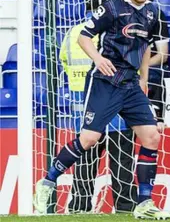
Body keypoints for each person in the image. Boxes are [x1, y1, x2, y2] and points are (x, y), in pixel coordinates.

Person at [33, 0, 170, 219]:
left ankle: (144, 203)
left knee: (151, 137)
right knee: (88, 140)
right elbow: (84, 37)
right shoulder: (111, 8)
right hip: (105, 81)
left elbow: (146, 47)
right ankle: (47, 183)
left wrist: (144, 79)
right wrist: (97, 58)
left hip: (131, 84)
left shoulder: (153, 12)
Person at [60, 21, 137, 214]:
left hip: (86, 108)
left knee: (85, 163)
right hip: (116, 104)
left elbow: (63, 61)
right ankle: (126, 208)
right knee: (122, 164)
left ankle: (79, 207)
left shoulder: (73, 32)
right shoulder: (118, 26)